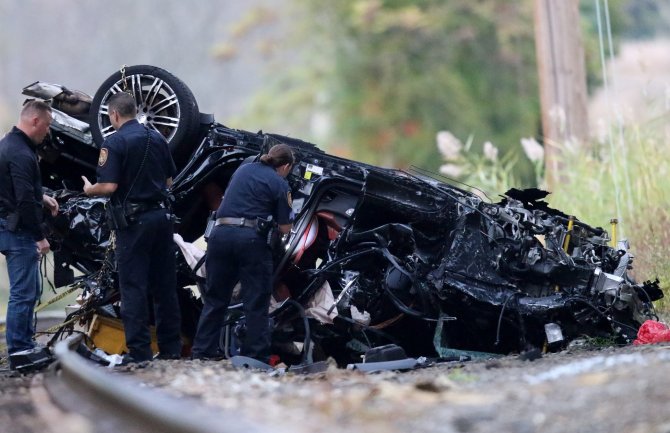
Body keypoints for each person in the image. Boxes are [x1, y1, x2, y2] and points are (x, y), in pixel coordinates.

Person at [82, 92, 181, 363]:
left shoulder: (113, 143)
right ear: (135, 111)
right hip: (162, 220)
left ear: (114, 115)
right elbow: (170, 181)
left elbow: (109, 187)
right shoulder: (158, 138)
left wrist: (90, 189)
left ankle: (140, 354)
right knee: (164, 287)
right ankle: (171, 349)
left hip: (134, 224)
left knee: (134, 288)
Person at [192, 143, 295, 362]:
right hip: (250, 240)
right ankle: (255, 358)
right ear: (286, 166)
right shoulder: (279, 183)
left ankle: (202, 353)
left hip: (220, 236)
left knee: (215, 299)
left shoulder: (244, 169)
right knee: (256, 302)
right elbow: (286, 228)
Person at [0, 100, 59, 359]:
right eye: (47, 126)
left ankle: (23, 344)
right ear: (35, 121)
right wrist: (40, 237)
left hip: (11, 227)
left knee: (29, 290)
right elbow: (23, 199)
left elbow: (16, 188)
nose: (48, 132)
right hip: (18, 231)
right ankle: (20, 350)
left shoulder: (9, 145)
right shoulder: (22, 153)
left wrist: (42, 195)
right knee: (23, 293)